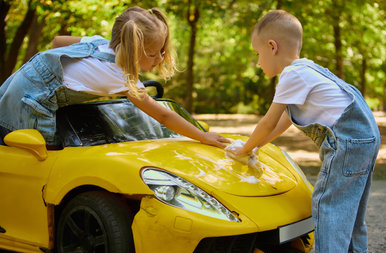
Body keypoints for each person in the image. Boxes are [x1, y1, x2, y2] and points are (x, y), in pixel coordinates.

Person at [226, 10, 380, 253]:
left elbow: (269, 121)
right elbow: (284, 121)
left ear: (273, 47)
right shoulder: (307, 70)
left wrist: (244, 149)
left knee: (327, 202)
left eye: (258, 53)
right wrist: (257, 146)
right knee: (352, 199)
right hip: (365, 136)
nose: (258, 62)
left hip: (348, 140)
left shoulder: (292, 74)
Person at [0, 6, 229, 148]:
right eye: (151, 53)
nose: (159, 58)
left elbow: (58, 42)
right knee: (46, 157)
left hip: (23, 83)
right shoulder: (120, 77)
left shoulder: (99, 42)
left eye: (162, 51)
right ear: (129, 48)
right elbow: (163, 116)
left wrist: (57, 75)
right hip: (31, 103)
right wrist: (202, 136)